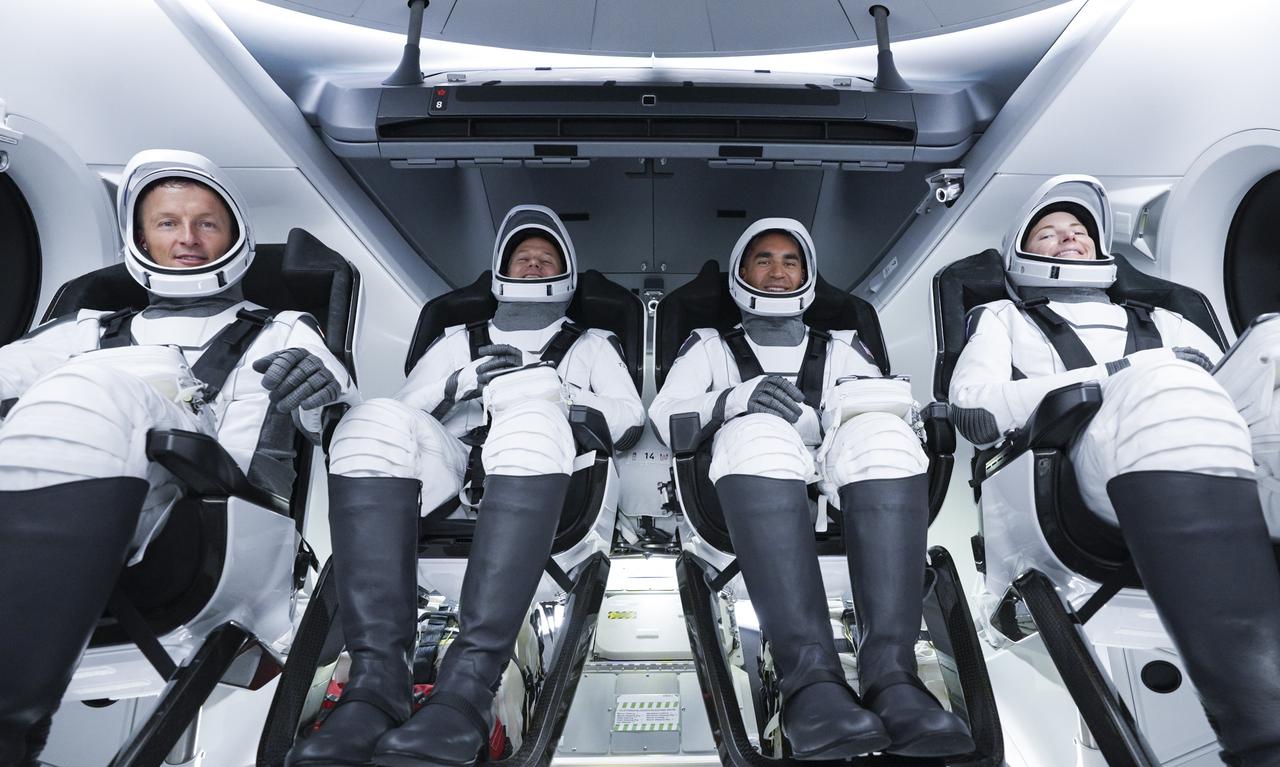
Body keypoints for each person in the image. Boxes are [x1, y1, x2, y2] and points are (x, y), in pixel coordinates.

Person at [0, 149, 355, 766]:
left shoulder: (284, 330)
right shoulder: (81, 332)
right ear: (141, 239)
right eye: (167, 223)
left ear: (235, 236)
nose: (187, 238)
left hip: (214, 533)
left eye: (205, 223)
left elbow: (333, 401)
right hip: (85, 513)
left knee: (100, 388)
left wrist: (319, 387)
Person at [286, 205, 644, 767]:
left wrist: (552, 390)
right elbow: (405, 411)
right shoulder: (457, 339)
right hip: (452, 469)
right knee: (370, 420)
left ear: (567, 275)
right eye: (522, 257)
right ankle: (376, 685)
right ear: (501, 270)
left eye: (545, 258)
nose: (533, 265)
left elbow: (628, 419)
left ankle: (468, 691)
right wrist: (458, 383)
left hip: (552, 475)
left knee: (532, 416)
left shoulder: (592, 344)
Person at [949, 174, 1280, 765]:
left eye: (1078, 230)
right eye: (1048, 232)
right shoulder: (1002, 318)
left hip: (1216, 451)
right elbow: (976, 410)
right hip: (1068, 474)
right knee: (1165, 384)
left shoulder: (1169, 320)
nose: (1068, 238)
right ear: (1020, 253)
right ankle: (1265, 736)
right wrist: (1119, 375)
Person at [649, 218, 973, 760]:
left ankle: (892, 679)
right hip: (749, 474)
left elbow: (885, 406)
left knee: (883, 433)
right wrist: (735, 399)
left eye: (790, 261)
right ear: (741, 273)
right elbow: (666, 415)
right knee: (759, 431)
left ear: (808, 276)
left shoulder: (844, 346)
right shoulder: (709, 347)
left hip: (841, 478)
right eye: (764, 260)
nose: (778, 271)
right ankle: (809, 683)